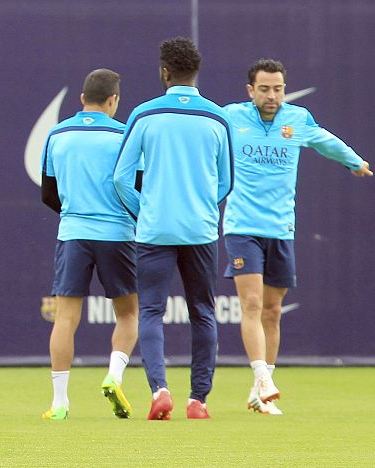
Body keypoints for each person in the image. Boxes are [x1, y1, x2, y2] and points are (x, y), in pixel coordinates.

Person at [223, 59, 372, 416]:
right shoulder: (231, 117)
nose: (272, 95)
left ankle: (260, 392)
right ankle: (262, 379)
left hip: (281, 228)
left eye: (277, 88)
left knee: (273, 312)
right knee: (253, 305)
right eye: (264, 89)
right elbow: (198, 135)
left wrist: (355, 162)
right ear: (250, 91)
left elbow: (326, 142)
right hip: (242, 226)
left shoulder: (298, 119)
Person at [113, 37, 233, 420]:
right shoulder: (217, 117)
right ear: (196, 72)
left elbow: (120, 178)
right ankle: (198, 400)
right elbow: (225, 182)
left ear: (164, 72)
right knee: (203, 312)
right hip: (200, 230)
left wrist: (143, 210)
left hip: (154, 230)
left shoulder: (144, 114)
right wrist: (200, 208)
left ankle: (159, 390)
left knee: (150, 311)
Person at [39, 69, 138, 421]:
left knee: (65, 317)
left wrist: (75, 214)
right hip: (118, 235)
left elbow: (48, 194)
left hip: (73, 233)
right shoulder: (125, 134)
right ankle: (114, 375)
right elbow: (135, 185)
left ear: (82, 99)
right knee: (127, 313)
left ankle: (60, 402)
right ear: (113, 100)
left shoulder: (57, 133)